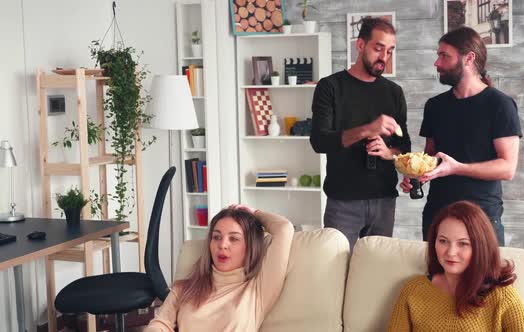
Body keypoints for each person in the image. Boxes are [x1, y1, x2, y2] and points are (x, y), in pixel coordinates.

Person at [400, 26, 521, 246]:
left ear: (469, 58)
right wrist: (415, 174)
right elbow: (431, 156)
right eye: (438, 55)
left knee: (483, 282)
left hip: (481, 218)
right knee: (437, 280)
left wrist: (457, 167)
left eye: (444, 56)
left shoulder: (500, 105)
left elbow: (507, 168)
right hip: (438, 215)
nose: (437, 63)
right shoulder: (435, 106)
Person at [310, 17, 411, 250]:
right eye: (378, 48)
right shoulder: (330, 87)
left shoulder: (394, 93)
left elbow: (404, 146)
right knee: (337, 272)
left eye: (389, 51)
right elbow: (319, 141)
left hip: (385, 200)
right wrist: (368, 129)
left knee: (376, 273)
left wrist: (389, 152)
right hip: (342, 202)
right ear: (360, 45)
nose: (384, 57)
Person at [387, 201, 524, 331]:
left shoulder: (502, 295)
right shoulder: (413, 289)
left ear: (480, 247)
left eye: (463, 243)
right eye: (443, 241)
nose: (451, 252)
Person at [144, 205, 294, 332]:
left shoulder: (258, 289)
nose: (222, 245)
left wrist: (255, 213)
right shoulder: (184, 288)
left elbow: (284, 229)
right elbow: (159, 325)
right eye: (216, 237)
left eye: (234, 238)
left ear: (250, 247)